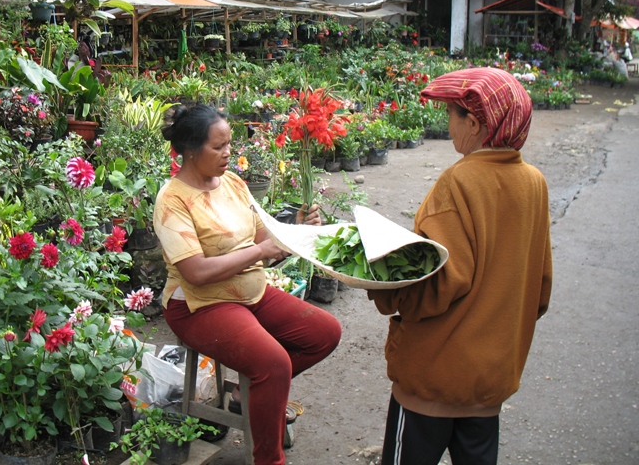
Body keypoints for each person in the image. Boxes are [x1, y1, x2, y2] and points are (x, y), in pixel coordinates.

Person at [367, 67, 553, 465]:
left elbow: (436, 286)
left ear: (474, 123)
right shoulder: (534, 183)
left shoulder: (459, 181)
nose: (447, 126)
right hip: (490, 381)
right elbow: (540, 287)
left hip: (433, 380)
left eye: (451, 116)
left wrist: (379, 279)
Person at [154, 104, 342, 465]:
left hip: (249, 290)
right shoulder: (172, 200)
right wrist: (260, 250)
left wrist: (298, 229)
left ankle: (247, 394)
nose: (228, 154)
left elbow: (265, 242)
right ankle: (268, 459)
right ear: (190, 150)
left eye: (229, 145)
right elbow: (196, 272)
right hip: (198, 304)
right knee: (273, 364)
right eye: (218, 147)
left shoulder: (234, 184)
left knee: (325, 332)